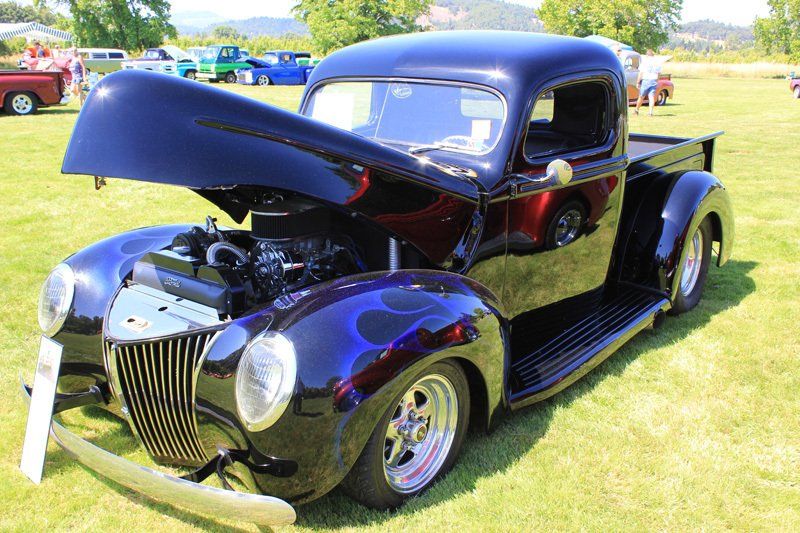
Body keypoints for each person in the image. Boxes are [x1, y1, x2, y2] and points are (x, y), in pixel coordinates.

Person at [635, 49, 661, 116]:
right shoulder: (657, 62)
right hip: (654, 80)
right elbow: (658, 73)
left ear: (647, 55)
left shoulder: (645, 62)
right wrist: (657, 81)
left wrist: (638, 82)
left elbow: (641, 73)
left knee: (641, 96)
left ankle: (636, 110)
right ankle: (650, 112)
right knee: (651, 97)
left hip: (646, 80)